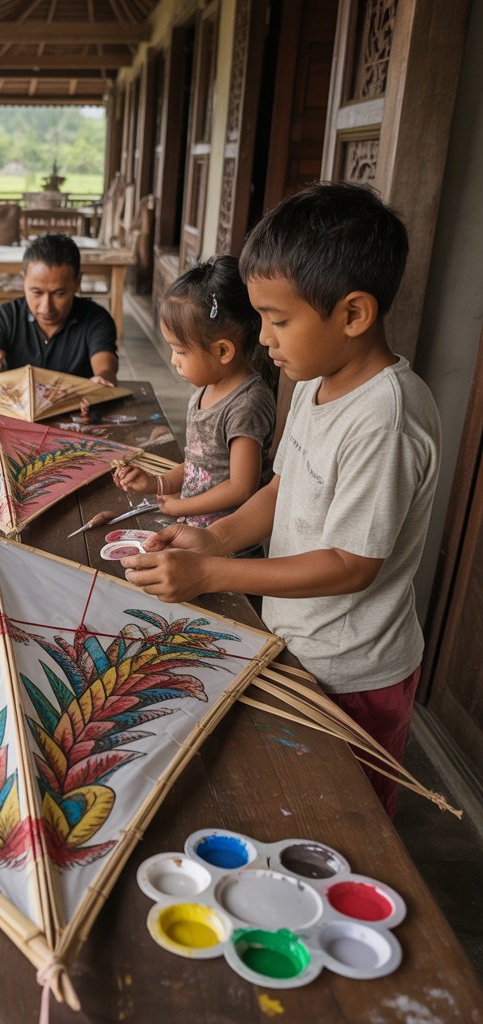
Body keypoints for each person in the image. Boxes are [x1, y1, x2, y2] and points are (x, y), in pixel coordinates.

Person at [121, 182, 441, 817]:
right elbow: (278, 487)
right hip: (297, 643)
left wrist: (212, 573)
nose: (263, 339)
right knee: (294, 800)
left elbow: (351, 564)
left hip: (354, 673)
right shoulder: (315, 383)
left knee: (348, 818)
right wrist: (213, 539)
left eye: (279, 319)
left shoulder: (385, 419)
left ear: (353, 315)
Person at [114, 256, 275, 532]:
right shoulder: (205, 391)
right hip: (196, 531)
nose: (173, 360)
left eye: (180, 351)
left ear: (222, 351)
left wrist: (182, 506)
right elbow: (198, 465)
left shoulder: (246, 404)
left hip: (227, 541)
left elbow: (241, 488)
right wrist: (157, 483)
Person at [0, 233, 118, 385]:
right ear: (24, 280)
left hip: (79, 400)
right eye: (36, 292)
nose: (46, 307)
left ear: (77, 282)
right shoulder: (4, 318)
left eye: (59, 293)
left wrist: (103, 380)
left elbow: (105, 369)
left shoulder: (96, 319)